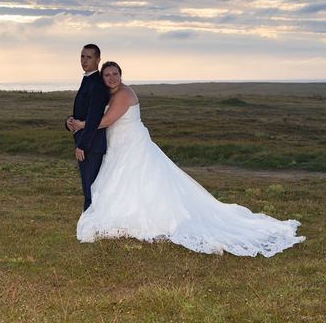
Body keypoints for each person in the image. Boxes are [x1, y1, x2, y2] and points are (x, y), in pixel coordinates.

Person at [70, 61, 305, 257]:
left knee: (140, 179)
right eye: (107, 75)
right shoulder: (109, 93)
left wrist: (81, 125)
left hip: (132, 144)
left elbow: (106, 121)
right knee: (124, 181)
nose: (111, 78)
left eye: (115, 74)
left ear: (122, 75)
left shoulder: (123, 94)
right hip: (120, 145)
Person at [65, 44, 109, 211]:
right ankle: (90, 220)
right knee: (88, 186)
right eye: (82, 56)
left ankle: (90, 222)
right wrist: (68, 121)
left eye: (89, 57)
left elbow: (94, 118)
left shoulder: (97, 84)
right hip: (87, 142)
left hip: (91, 145)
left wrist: (82, 145)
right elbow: (83, 111)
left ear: (98, 60)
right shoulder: (88, 80)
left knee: (91, 188)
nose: (84, 60)